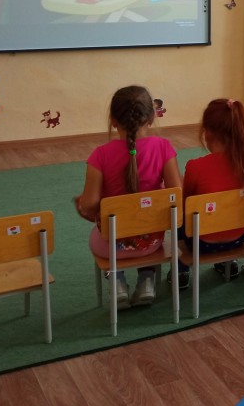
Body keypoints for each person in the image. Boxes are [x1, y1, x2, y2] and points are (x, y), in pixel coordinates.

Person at [75, 85, 181, 309]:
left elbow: (90, 204)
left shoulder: (100, 155)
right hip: (152, 242)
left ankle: (117, 282)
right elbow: (176, 194)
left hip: (112, 247)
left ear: (113, 121)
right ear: (151, 118)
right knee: (142, 224)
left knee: (97, 235)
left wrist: (81, 205)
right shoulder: (163, 148)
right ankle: (147, 279)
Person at [175, 98, 244, 289]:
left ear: (206, 132)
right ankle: (228, 262)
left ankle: (181, 271)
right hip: (239, 238)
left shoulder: (195, 166)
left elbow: (185, 205)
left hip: (201, 243)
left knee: (177, 215)